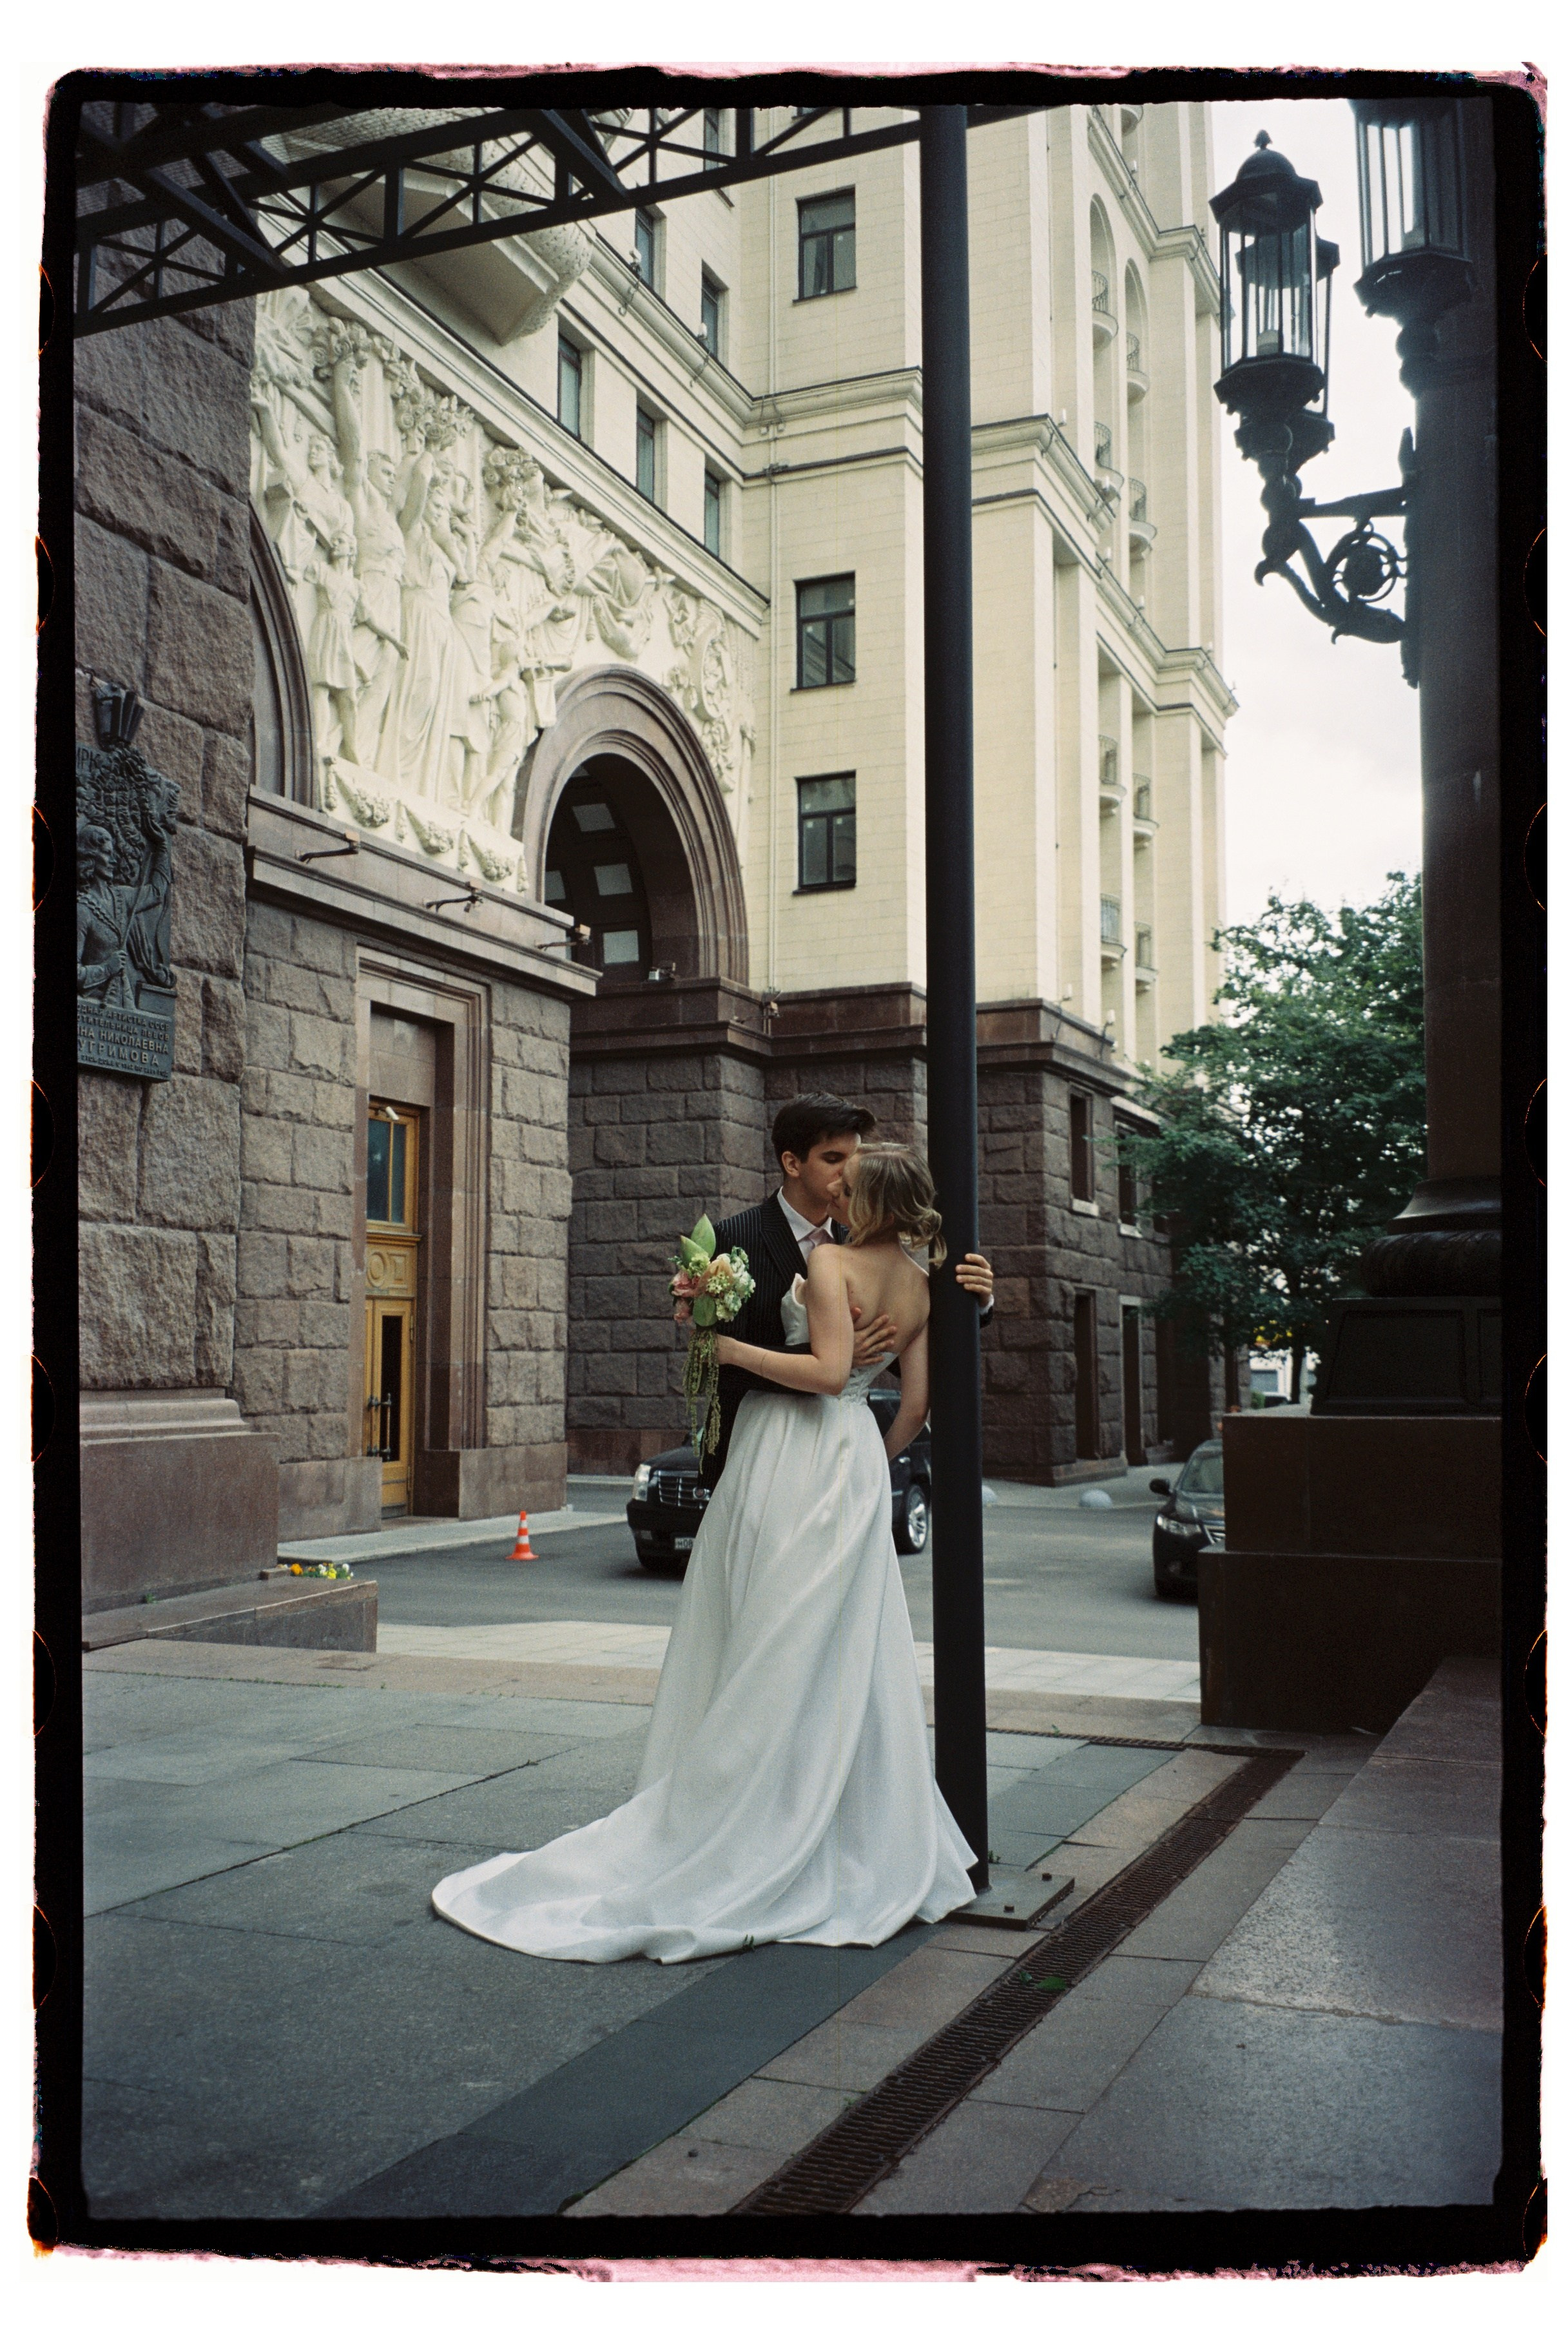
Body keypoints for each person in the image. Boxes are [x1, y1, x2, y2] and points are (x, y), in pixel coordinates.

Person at [431, 1139, 977, 1962]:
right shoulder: (919, 1279)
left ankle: (743, 1813)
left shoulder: (832, 1264)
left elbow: (828, 1373)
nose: (839, 1186)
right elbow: (920, 1400)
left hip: (797, 1458)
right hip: (857, 1464)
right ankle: (840, 1821)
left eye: (850, 1179)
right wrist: (875, 1458)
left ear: (868, 1198)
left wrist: (725, 1351)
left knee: (771, 1635)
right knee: (845, 1650)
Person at [697, 1094, 995, 1489]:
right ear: (793, 1163)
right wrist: (833, 1357)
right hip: (757, 1457)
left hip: (840, 1452)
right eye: (833, 1159)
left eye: (853, 1160)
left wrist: (979, 1303)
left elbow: (904, 1351)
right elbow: (717, 1362)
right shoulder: (733, 1238)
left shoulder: (868, 1238)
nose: (845, 1175)